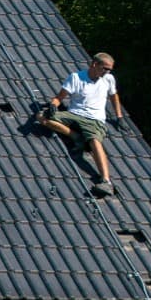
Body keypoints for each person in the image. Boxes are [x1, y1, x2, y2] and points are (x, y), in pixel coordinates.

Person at [33, 53, 123, 196]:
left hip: (94, 120)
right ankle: (76, 136)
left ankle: (106, 181)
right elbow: (59, 97)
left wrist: (119, 116)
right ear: (94, 64)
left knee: (94, 140)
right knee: (40, 116)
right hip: (74, 115)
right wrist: (52, 106)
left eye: (109, 70)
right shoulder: (76, 77)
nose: (107, 72)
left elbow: (114, 96)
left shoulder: (109, 79)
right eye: (105, 68)